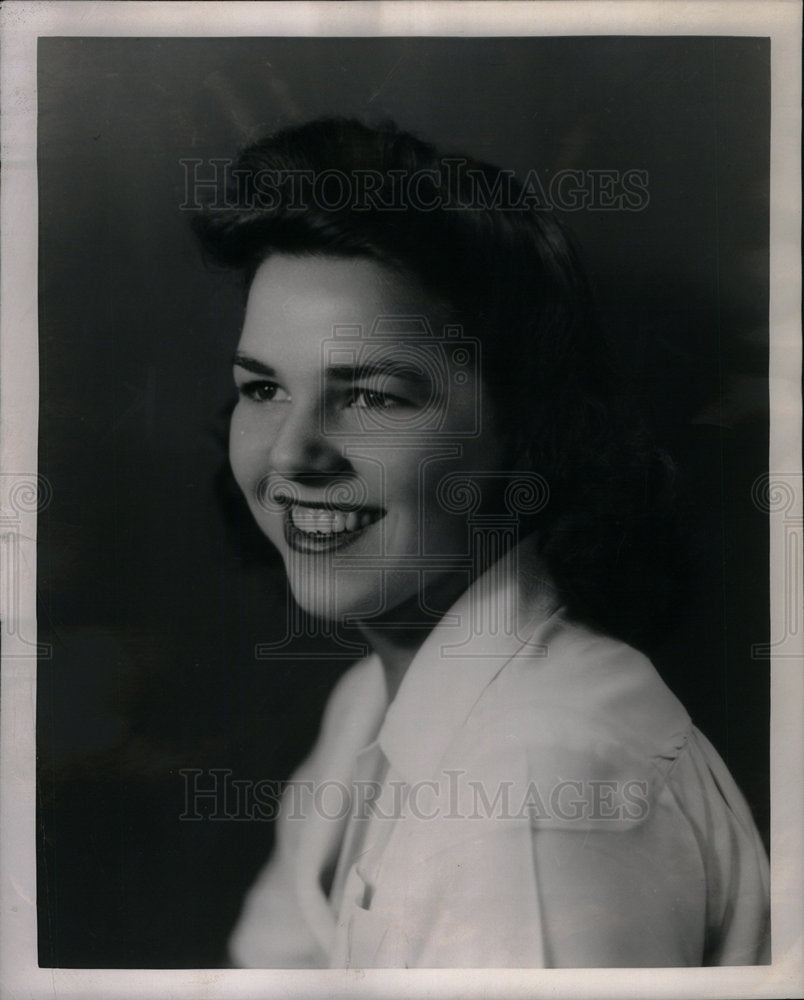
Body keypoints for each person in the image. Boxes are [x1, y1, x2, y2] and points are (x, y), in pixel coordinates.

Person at [192, 118, 770, 968]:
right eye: (264, 387)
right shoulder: (369, 702)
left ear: (527, 430)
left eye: (375, 397)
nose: (290, 454)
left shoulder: (538, 793)